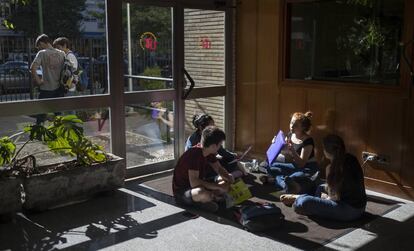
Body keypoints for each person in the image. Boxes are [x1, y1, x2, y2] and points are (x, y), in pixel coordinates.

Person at [280, 134, 367, 221]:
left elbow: (334, 199)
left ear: (327, 151)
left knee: (305, 202)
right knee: (320, 187)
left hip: (348, 211)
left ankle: (297, 197)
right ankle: (305, 195)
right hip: (361, 207)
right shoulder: (352, 158)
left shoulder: (330, 168)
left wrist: (325, 198)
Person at [173, 126, 235, 212]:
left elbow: (219, 168)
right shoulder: (194, 155)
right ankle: (209, 200)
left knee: (225, 179)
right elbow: (194, 183)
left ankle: (211, 199)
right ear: (213, 146)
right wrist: (219, 187)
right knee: (201, 192)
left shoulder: (209, 152)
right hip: (183, 192)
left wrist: (228, 178)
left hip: (199, 184)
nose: (220, 147)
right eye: (220, 145)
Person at [260, 111, 319, 194]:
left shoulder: (307, 141)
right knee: (270, 167)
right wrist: (276, 143)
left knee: (294, 177)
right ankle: (285, 183)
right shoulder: (291, 134)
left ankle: (280, 181)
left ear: (303, 127)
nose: (292, 126)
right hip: (294, 166)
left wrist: (292, 150)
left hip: (307, 168)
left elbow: (302, 163)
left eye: (296, 125)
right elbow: (285, 150)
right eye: (291, 123)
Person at [185, 114, 246, 178]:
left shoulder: (207, 136)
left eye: (213, 125)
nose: (213, 127)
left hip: (208, 160)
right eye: (211, 126)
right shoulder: (194, 143)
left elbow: (220, 150)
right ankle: (217, 178)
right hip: (198, 168)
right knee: (227, 165)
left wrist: (232, 155)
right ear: (201, 127)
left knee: (229, 161)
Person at [30, 34, 66, 124]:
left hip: (46, 88)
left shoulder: (42, 53)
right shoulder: (62, 54)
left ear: (42, 43)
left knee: (41, 114)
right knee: (58, 114)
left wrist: (38, 81)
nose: (39, 48)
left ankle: (38, 134)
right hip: (59, 88)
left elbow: (33, 68)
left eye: (39, 46)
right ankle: (61, 134)